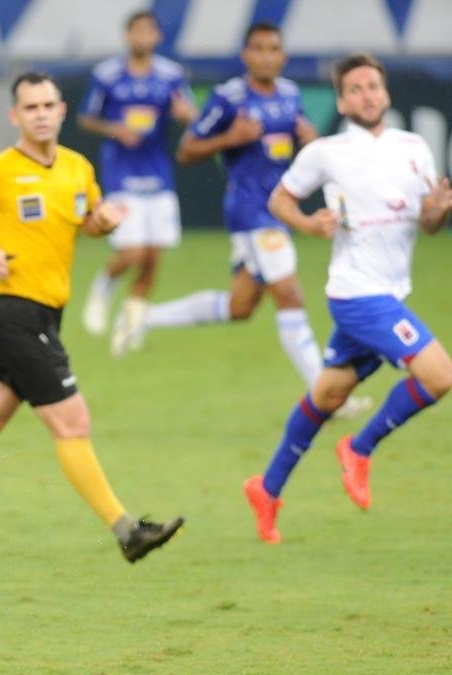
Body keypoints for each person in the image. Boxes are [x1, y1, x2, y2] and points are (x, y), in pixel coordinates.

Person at [0, 72, 183, 564]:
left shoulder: (78, 168)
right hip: (15, 314)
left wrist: (102, 224)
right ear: (14, 116)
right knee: (72, 421)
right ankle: (127, 530)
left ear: (61, 110)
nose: (40, 114)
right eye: (31, 107)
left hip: (46, 315)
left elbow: (88, 220)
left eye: (48, 105)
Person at [112, 23, 371, 420]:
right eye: (258, 49)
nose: (266, 56)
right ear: (246, 55)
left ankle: (143, 315)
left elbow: (297, 150)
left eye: (274, 49)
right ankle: (327, 397)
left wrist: (311, 140)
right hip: (251, 211)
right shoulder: (229, 97)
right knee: (290, 295)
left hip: (275, 210)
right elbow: (187, 149)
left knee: (240, 306)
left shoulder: (289, 95)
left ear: (282, 56)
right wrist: (229, 139)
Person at [243, 53, 452, 543]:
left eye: (373, 86)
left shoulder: (414, 148)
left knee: (327, 395)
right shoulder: (327, 152)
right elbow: (279, 200)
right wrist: (308, 224)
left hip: (388, 290)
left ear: (386, 92)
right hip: (357, 294)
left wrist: (438, 211)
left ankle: (265, 488)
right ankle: (359, 448)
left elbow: (427, 224)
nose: (366, 95)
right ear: (341, 100)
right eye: (355, 89)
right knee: (440, 374)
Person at [77, 10, 197, 354]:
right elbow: (86, 117)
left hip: (158, 173)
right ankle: (103, 287)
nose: (143, 38)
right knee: (132, 252)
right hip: (121, 172)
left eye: (149, 32)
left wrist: (187, 116)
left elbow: (190, 115)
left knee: (152, 258)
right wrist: (114, 128)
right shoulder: (108, 75)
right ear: (127, 36)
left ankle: (130, 322)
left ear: (157, 37)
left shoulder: (171, 75)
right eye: (137, 31)